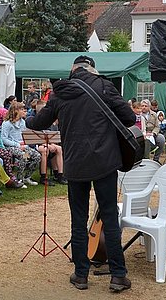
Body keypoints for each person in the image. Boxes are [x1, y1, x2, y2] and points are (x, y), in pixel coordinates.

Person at [26, 55, 134, 292]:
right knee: (109, 217)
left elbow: (37, 123)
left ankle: (81, 274)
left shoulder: (60, 92)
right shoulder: (105, 86)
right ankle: (117, 275)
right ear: (92, 70)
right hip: (105, 161)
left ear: (73, 70)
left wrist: (30, 115)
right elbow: (130, 118)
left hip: (75, 163)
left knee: (78, 219)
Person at [0, 101, 41, 186]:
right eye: (22, 109)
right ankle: (19, 179)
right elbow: (4, 139)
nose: (24, 111)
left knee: (37, 156)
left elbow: (24, 136)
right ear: (16, 111)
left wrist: (25, 144)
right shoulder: (6, 123)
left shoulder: (23, 122)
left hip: (23, 146)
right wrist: (18, 145)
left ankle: (27, 177)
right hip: (10, 147)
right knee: (24, 156)